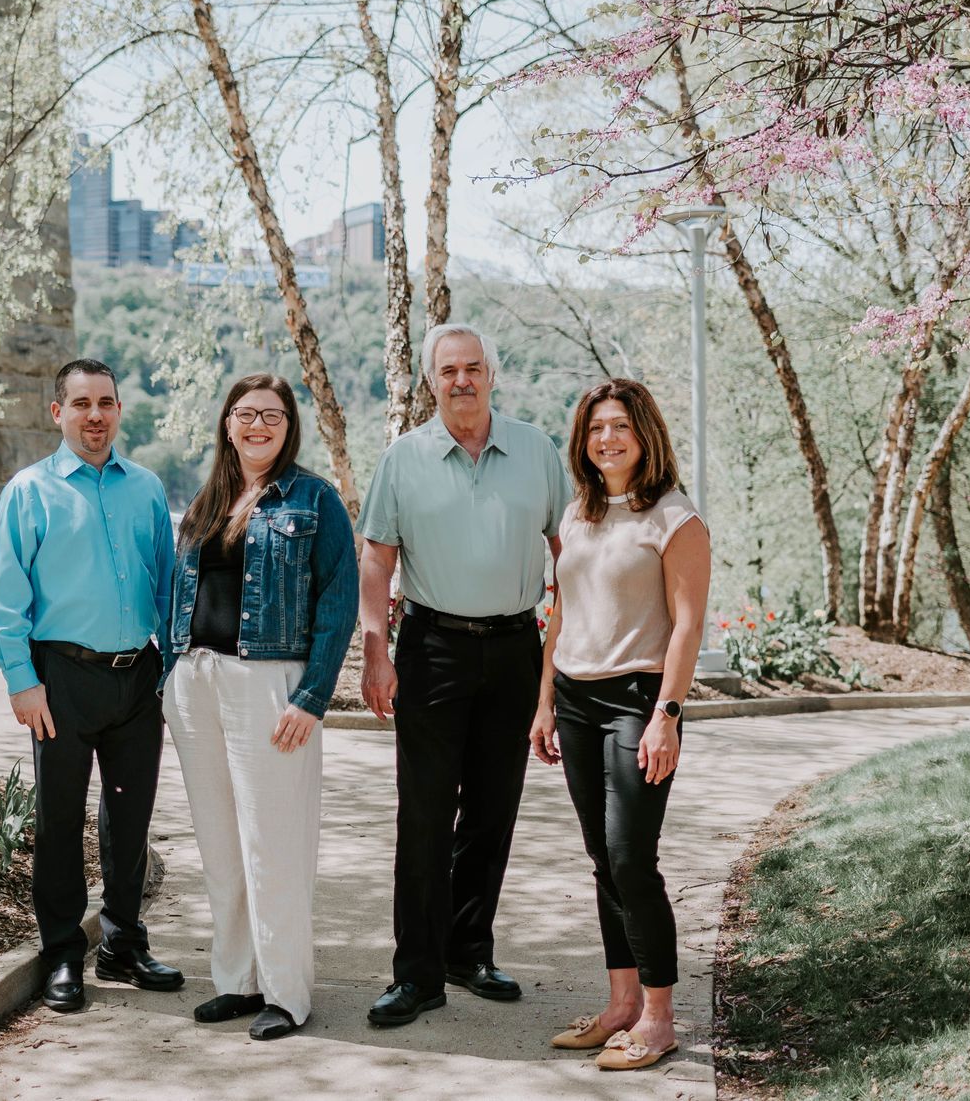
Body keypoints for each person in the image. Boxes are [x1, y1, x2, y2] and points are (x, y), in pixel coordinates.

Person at [357, 322, 574, 1028]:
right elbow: (376, 558)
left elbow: (571, 553)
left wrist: (560, 667)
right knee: (424, 815)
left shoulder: (537, 452)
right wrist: (376, 651)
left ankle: (468, 951)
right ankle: (416, 974)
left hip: (514, 647)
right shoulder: (404, 458)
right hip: (432, 648)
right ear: (431, 381)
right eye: (448, 370)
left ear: (491, 374)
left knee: (491, 811)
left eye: (473, 367)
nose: (462, 380)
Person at [0, 357, 185, 1015]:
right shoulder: (29, 491)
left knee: (130, 818)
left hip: (138, 678)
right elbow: (5, 597)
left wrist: (172, 668)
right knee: (60, 819)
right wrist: (22, 681)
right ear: (58, 412)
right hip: (60, 678)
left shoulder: (146, 488)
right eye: (81, 403)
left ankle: (123, 942)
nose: (94, 415)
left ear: (119, 410)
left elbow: (167, 585)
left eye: (105, 403)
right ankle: (63, 953)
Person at [161, 373, 358, 1041]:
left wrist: (312, 696)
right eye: (246, 413)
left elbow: (338, 601)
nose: (257, 425)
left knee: (273, 845)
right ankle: (238, 981)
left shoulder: (314, 499)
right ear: (228, 423)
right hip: (198, 683)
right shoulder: (207, 500)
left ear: (288, 426)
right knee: (220, 846)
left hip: (269, 684)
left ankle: (286, 993)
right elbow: (178, 591)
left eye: (272, 415)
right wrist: (170, 674)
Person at [529, 378, 710, 1071]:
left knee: (632, 857)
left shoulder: (674, 518)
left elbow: (687, 626)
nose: (607, 438)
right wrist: (545, 702)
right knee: (603, 858)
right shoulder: (579, 515)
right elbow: (562, 615)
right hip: (575, 699)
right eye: (596, 427)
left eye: (621, 427)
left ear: (645, 436)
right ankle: (621, 1005)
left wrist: (667, 713)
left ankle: (660, 1019)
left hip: (639, 700)